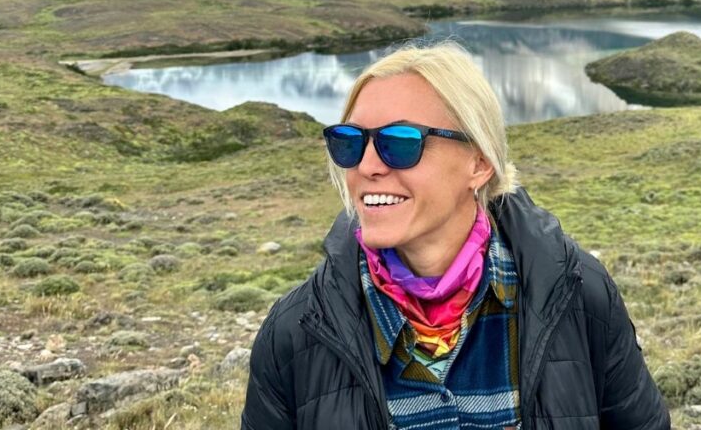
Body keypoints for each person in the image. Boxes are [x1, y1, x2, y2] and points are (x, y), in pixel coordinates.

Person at [241, 42, 670, 430]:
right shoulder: (295, 333)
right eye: (350, 142)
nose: (367, 166)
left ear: (480, 164)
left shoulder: (578, 296)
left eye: (400, 142)